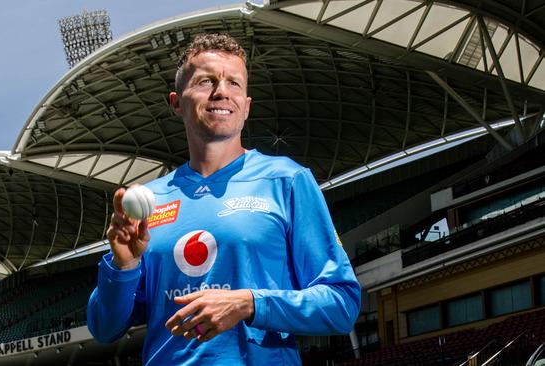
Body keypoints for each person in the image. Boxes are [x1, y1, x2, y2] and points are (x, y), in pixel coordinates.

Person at [87, 33, 361, 365]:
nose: (221, 92)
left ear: (246, 107)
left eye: (234, 83)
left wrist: (249, 304)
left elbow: (341, 304)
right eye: (206, 81)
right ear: (176, 102)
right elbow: (104, 328)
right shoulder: (150, 201)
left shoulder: (287, 181)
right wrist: (124, 265)